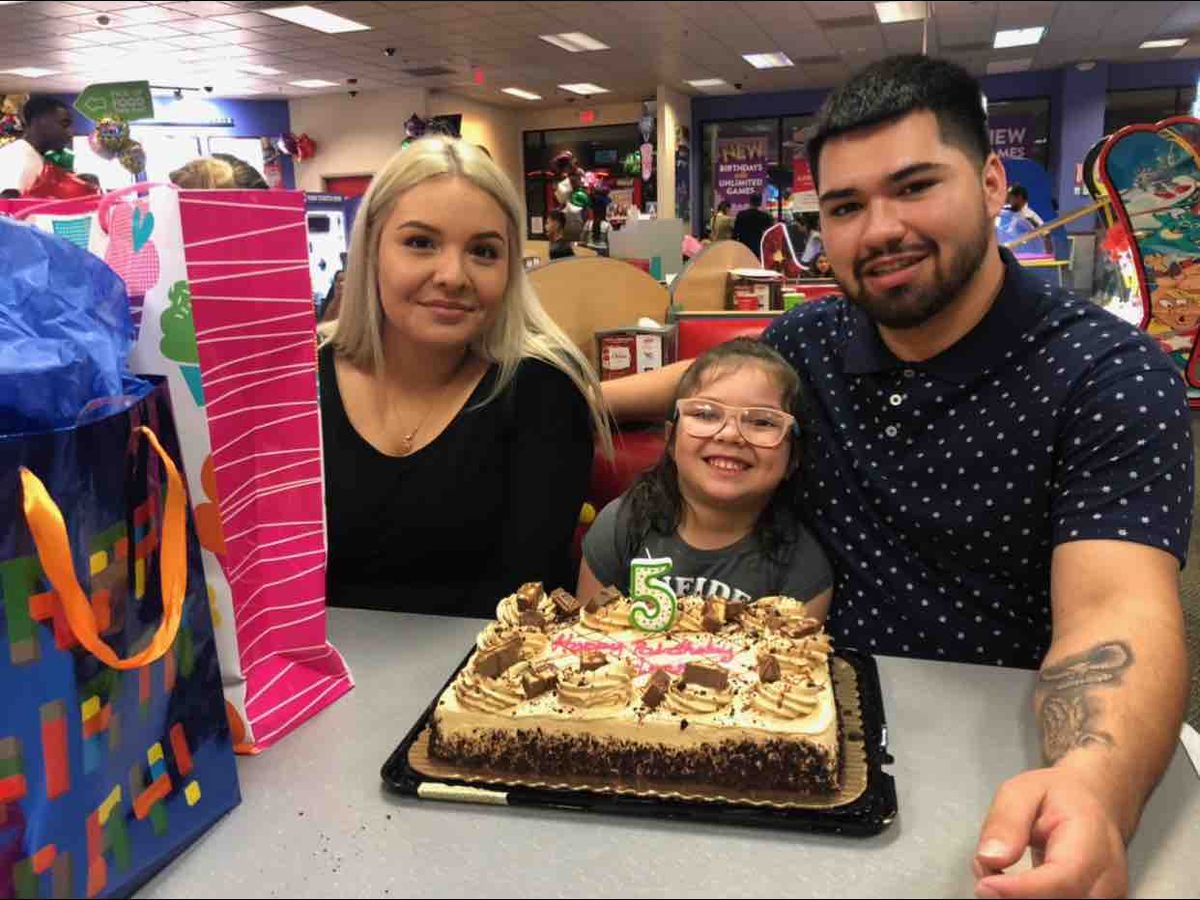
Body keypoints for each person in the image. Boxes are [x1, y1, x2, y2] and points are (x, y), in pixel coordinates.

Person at [602, 54, 1192, 900]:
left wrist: (1095, 784)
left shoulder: (1107, 376)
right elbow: (700, 386)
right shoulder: (812, 341)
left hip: (999, 755)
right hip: (793, 731)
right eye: (846, 206)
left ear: (992, 183)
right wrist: (556, 394)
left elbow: (1117, 611)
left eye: (915, 187)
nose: (879, 230)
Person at [318, 136, 610, 616]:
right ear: (370, 249)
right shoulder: (297, 380)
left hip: (489, 660)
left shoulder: (543, 390)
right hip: (305, 662)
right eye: (420, 243)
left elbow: (521, 599)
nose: (453, 276)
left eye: (484, 251)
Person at [580, 338, 832, 618]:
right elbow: (586, 634)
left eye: (762, 421)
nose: (730, 434)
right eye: (706, 414)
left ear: (793, 459)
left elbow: (799, 646)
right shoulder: (621, 525)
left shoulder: (803, 567)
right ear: (671, 441)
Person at [0, 95, 72, 195]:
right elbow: (8, 202)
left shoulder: (34, 155)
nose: (70, 133)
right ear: (38, 122)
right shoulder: (16, 158)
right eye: (64, 124)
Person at [1006, 183, 1053, 254]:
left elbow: (1046, 234)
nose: (1009, 199)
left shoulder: (1029, 217)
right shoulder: (1003, 212)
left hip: (1027, 256)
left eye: (1011, 196)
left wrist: (1048, 256)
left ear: (1019, 198)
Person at [732, 193, 774, 258]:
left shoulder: (741, 215)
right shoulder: (764, 216)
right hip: (757, 247)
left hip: (743, 246)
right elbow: (770, 228)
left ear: (750, 202)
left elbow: (735, 232)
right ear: (760, 203)